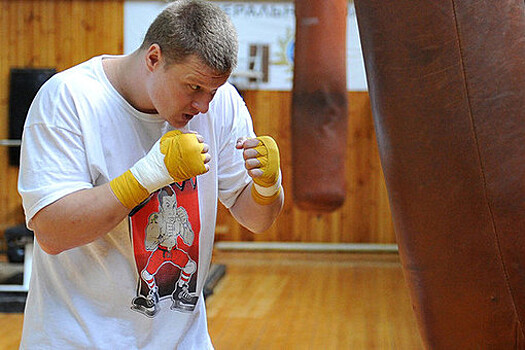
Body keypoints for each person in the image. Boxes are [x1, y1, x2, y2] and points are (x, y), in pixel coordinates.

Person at [17, 0, 284, 348]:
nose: (203, 105)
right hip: (78, 339)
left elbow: (256, 219)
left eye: (212, 91)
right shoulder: (69, 100)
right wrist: (146, 177)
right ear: (153, 58)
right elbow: (52, 232)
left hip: (183, 341)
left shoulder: (222, 104)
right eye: (193, 88)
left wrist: (268, 186)